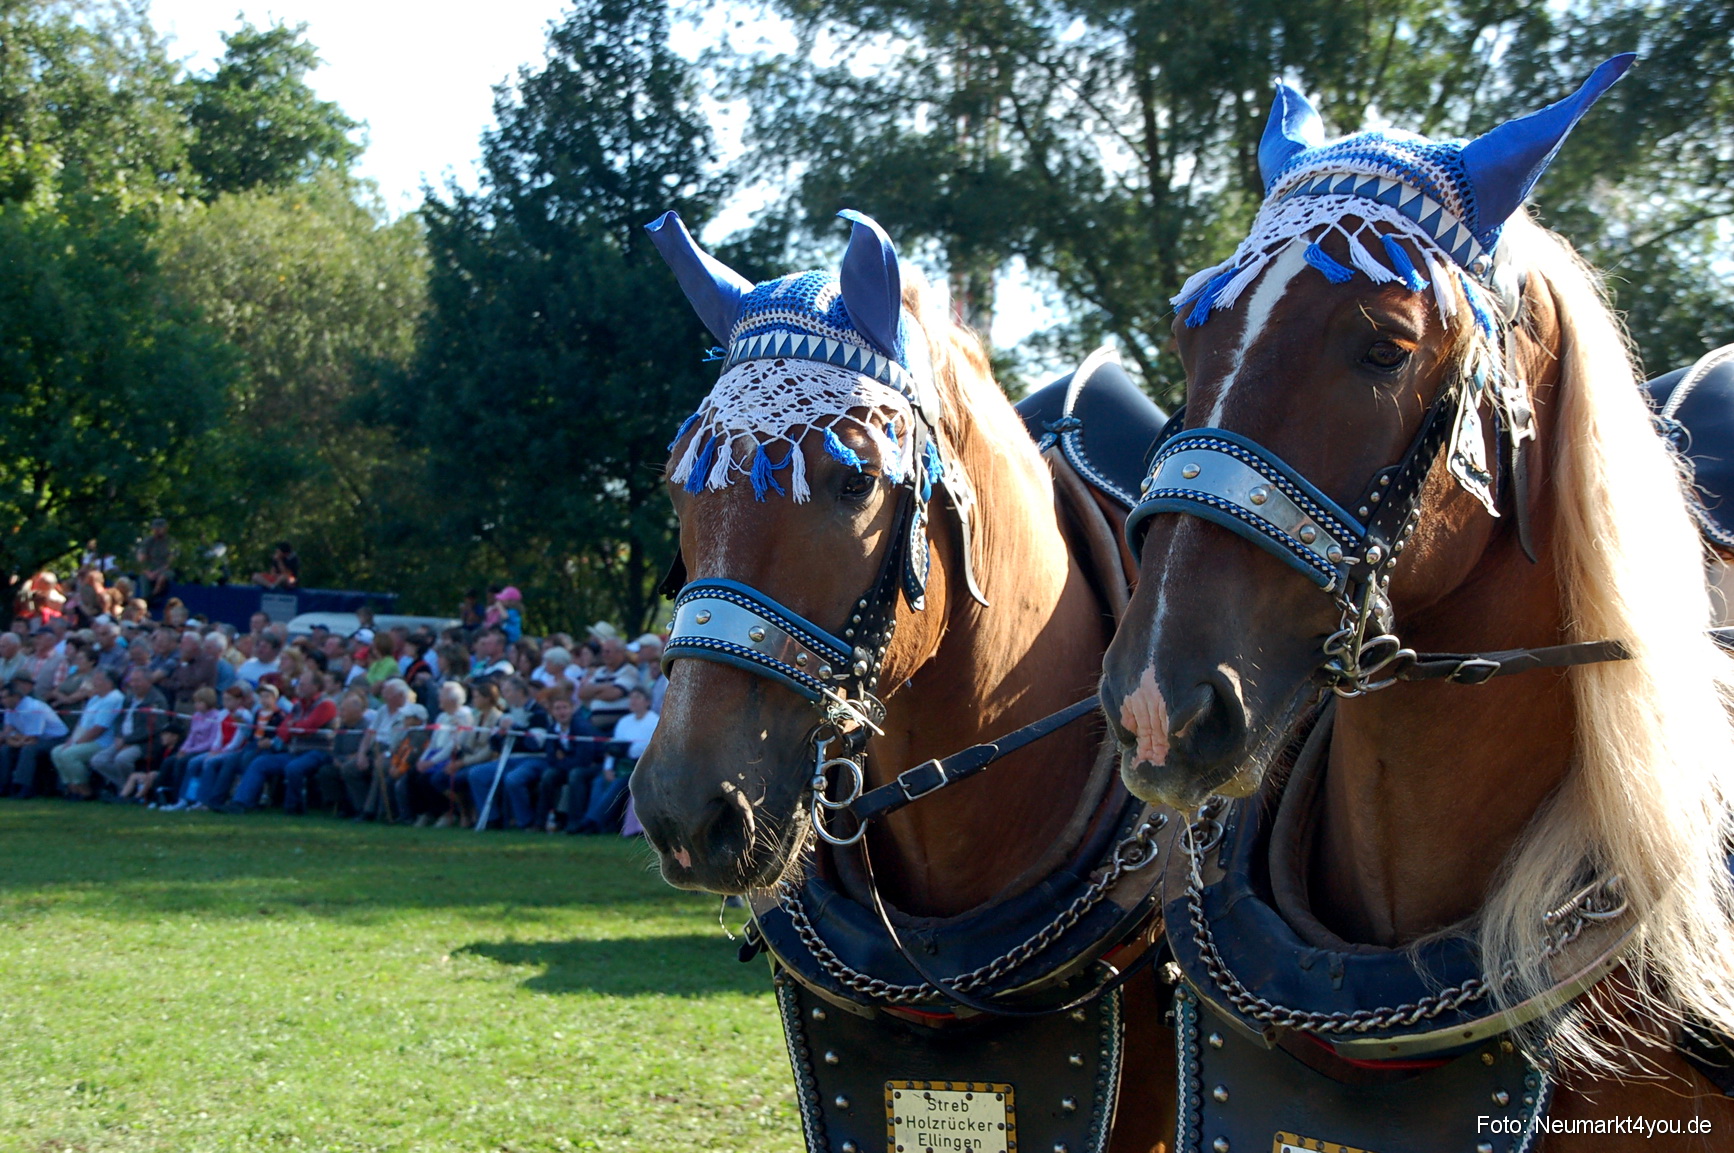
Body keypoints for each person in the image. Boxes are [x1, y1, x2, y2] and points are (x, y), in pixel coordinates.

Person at [224, 673, 336, 814]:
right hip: (295, 751)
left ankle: (293, 807)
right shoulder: (298, 705)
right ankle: (241, 802)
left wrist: (294, 726)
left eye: (303, 684)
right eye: (299, 684)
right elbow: (282, 730)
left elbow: (307, 728)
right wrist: (294, 727)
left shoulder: (326, 704)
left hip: (318, 751)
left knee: (294, 767)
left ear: (316, 686)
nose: (299, 687)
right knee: (260, 762)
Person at [463, 677, 549, 830]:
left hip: (533, 759)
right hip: (508, 759)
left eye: (508, 691)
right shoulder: (507, 713)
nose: (505, 695)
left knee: (513, 779)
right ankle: (491, 818)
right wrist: (499, 734)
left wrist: (515, 728)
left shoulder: (538, 713)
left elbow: (536, 744)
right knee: (476, 774)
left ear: (520, 692)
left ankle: (525, 822)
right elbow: (494, 745)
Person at [571, 686, 657, 834]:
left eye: (637, 697)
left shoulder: (654, 720)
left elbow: (645, 748)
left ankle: (592, 822)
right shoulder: (624, 721)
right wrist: (608, 768)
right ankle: (591, 820)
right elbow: (613, 747)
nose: (633, 701)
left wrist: (624, 749)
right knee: (599, 781)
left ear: (647, 702)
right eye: (631, 697)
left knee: (618, 783)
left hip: (639, 766)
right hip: (619, 763)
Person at [192, 682, 281, 810]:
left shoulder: (279, 715)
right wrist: (242, 726)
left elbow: (279, 735)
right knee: (229, 762)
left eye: (267, 696)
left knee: (246, 760)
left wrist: (270, 742)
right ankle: (215, 800)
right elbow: (249, 734)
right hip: (252, 745)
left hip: (265, 748)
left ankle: (245, 800)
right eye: (261, 696)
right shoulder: (257, 713)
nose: (263, 699)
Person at [395, 681, 472, 826]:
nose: (438, 699)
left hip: (450, 757)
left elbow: (452, 746)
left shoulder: (464, 717)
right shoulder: (441, 717)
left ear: (452, 699)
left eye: (441, 696)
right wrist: (423, 760)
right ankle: (426, 812)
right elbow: (433, 742)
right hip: (435, 755)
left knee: (428, 778)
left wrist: (432, 762)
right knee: (413, 775)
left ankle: (445, 812)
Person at [165, 685, 252, 810]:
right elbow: (219, 735)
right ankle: (186, 798)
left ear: (238, 701)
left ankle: (203, 799)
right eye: (224, 699)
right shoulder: (223, 714)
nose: (226, 703)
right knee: (194, 762)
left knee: (210, 763)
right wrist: (214, 749)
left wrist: (221, 752)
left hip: (235, 751)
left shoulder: (244, 715)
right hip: (219, 750)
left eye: (229, 700)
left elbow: (238, 740)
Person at [353, 678, 426, 820]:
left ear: (400, 696)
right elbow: (370, 733)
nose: (384, 696)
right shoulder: (382, 710)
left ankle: (370, 811)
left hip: (393, 751)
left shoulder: (411, 714)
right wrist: (361, 754)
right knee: (349, 768)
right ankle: (358, 807)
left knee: (380, 767)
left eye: (387, 693)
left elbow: (404, 742)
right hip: (374, 748)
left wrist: (387, 754)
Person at [88, 668, 170, 792]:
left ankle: (128, 789)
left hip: (144, 743)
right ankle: (126, 786)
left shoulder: (156, 701)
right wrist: (119, 735)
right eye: (132, 681)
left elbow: (152, 728)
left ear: (148, 681)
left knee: (122, 759)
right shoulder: (130, 698)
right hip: (124, 740)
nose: (133, 685)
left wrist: (127, 740)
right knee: (98, 760)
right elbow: (120, 719)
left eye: (138, 681)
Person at [50, 667, 123, 798]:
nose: (94, 682)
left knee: (69, 754)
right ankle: (72, 787)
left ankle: (85, 789)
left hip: (102, 742)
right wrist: (71, 740)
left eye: (98, 679)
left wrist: (76, 743)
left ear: (109, 683)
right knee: (56, 752)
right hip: (85, 738)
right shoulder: (95, 698)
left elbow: (99, 728)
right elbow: (82, 723)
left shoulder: (113, 699)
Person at [536, 692, 600, 833]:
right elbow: (551, 758)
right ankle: (540, 822)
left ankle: (574, 822)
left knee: (575, 775)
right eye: (557, 708)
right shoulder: (552, 730)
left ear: (572, 709)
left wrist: (563, 758)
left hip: (594, 766)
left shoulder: (582, 728)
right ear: (552, 712)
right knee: (548, 775)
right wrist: (566, 760)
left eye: (564, 707)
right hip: (568, 767)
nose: (561, 712)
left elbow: (584, 759)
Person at [0, 676, 69, 798]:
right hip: (28, 738)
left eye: (4, 697)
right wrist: (12, 740)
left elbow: (32, 739)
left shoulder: (33, 708)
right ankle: (4, 786)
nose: (2, 700)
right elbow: (6, 733)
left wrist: (14, 740)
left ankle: (24, 787)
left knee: (28, 750)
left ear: (15, 697)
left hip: (55, 739)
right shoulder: (9, 709)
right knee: (5, 749)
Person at [154, 687, 222, 806]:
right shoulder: (196, 715)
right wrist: (183, 748)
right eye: (195, 702)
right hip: (191, 748)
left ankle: (179, 796)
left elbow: (211, 740)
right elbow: (191, 736)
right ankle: (160, 793)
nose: (196, 705)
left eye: (199, 702)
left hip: (204, 749)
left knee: (182, 763)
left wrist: (190, 750)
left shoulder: (216, 717)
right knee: (169, 761)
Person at [316, 688, 374, 815]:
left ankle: (360, 808)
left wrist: (350, 759)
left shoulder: (367, 727)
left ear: (356, 712)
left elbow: (368, 751)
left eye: (343, 710)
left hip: (361, 762)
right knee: (326, 771)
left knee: (349, 770)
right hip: (343, 761)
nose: (340, 714)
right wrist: (336, 759)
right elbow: (335, 750)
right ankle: (339, 805)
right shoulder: (342, 728)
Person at [578, 637, 639, 735]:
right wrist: (606, 686)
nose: (604, 655)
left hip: (616, 728)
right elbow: (582, 693)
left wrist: (593, 692)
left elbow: (614, 694)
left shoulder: (629, 671)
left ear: (620, 653)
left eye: (608, 652)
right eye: (603, 652)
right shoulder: (600, 671)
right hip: (595, 727)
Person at [135, 517, 178, 611]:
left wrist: (158, 572)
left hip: (165, 569)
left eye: (159, 528)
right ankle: (145, 600)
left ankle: (153, 596)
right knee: (144, 578)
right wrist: (147, 572)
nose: (157, 530)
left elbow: (170, 562)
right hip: (150, 568)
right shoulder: (148, 541)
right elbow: (141, 559)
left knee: (162, 578)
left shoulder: (171, 542)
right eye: (155, 528)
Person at [631, 634, 668, 713]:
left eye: (643, 647)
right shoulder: (642, 668)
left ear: (654, 648)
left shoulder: (666, 670)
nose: (639, 650)